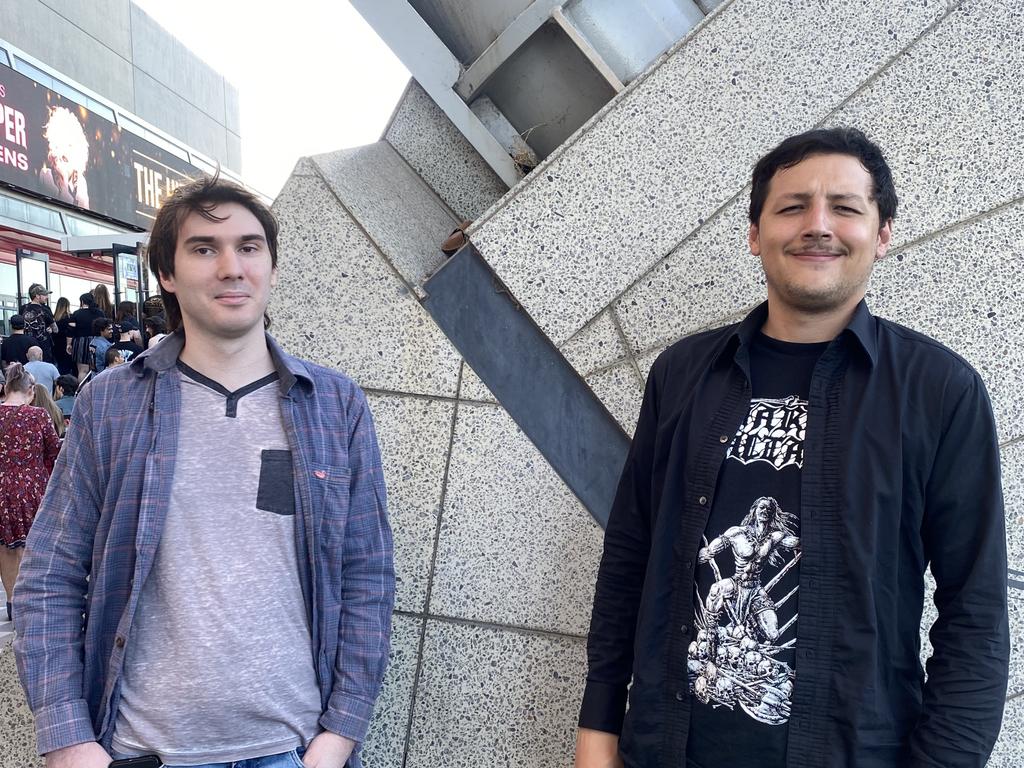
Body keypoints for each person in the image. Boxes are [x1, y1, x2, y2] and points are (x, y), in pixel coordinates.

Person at [575, 127, 1008, 768]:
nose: (818, 225)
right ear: (755, 235)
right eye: (792, 206)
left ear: (882, 234)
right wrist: (598, 727)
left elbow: (974, 609)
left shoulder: (939, 391)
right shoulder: (683, 374)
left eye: (846, 208)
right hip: (664, 750)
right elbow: (630, 557)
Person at [14, 174, 395, 768]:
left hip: (292, 749)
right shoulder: (111, 403)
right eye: (203, 249)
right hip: (145, 748)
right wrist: (66, 738)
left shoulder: (333, 404)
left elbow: (366, 574)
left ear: (269, 264)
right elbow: (50, 574)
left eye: (248, 247)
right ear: (166, 272)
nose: (231, 267)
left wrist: (340, 733)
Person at [0, 363, 60, 622]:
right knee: (31, 545)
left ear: (6, 388)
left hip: (1, 486)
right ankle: (30, 599)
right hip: (32, 487)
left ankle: (12, 600)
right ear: (31, 390)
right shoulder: (38, 416)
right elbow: (54, 451)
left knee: (5, 547)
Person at [68, 293, 105, 381]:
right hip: (97, 342)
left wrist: (69, 344)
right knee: (97, 369)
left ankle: (82, 391)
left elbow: (70, 330)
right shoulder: (99, 313)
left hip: (81, 342)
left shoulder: (77, 313)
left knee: (82, 371)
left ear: (82, 301)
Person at [20, 283, 58, 363]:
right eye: (44, 295)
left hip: (26, 345)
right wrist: (51, 328)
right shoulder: (45, 309)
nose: (46, 297)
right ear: (37, 296)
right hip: (43, 347)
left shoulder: (23, 308)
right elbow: (56, 329)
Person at [52, 297, 74, 375]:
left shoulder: (54, 318)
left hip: (56, 346)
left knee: (59, 367)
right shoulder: (70, 317)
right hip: (67, 345)